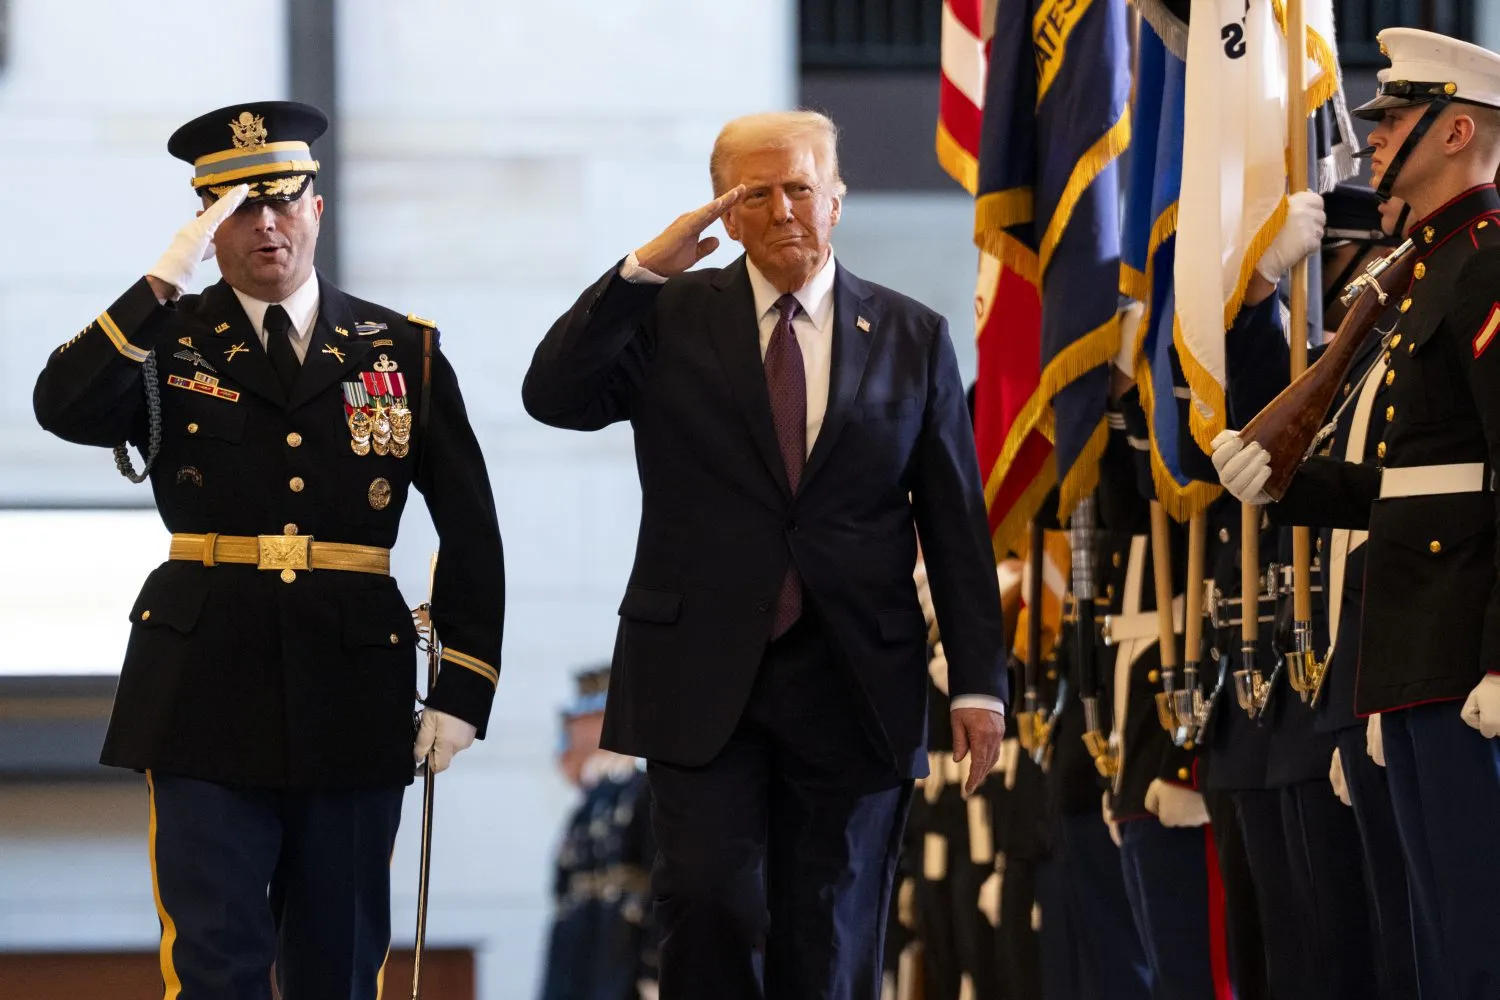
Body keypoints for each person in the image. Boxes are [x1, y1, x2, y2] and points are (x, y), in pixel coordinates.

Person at [522, 110, 1009, 1000]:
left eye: (800, 187)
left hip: (857, 679)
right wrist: (640, 272)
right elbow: (554, 395)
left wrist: (977, 682)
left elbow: (954, 523)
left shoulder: (912, 335)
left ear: (837, 200)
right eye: (757, 193)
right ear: (726, 212)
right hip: (702, 679)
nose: (784, 208)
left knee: (832, 934)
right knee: (709, 905)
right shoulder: (669, 317)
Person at [32, 101, 505, 999]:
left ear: (317, 208)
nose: (266, 224)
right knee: (215, 962)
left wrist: (464, 687)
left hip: (352, 686)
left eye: (282, 200)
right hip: (202, 686)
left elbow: (471, 524)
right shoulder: (164, 340)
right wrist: (160, 280)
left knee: (338, 961)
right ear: (208, 228)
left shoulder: (402, 350)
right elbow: (61, 405)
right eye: (237, 208)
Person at [1213, 28, 1500, 997]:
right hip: (1406, 648)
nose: (1374, 139)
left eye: (1396, 120)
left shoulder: (1487, 265)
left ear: (1457, 130)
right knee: (1430, 942)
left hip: (1463, 650)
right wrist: (1286, 483)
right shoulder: (1420, 274)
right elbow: (1400, 481)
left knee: (1474, 941)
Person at [540, 666, 658, 1000]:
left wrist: (655, 966)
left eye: (579, 724)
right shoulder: (592, 800)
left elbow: (662, 882)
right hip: (583, 963)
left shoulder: (642, 790)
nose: (567, 739)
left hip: (621, 963)